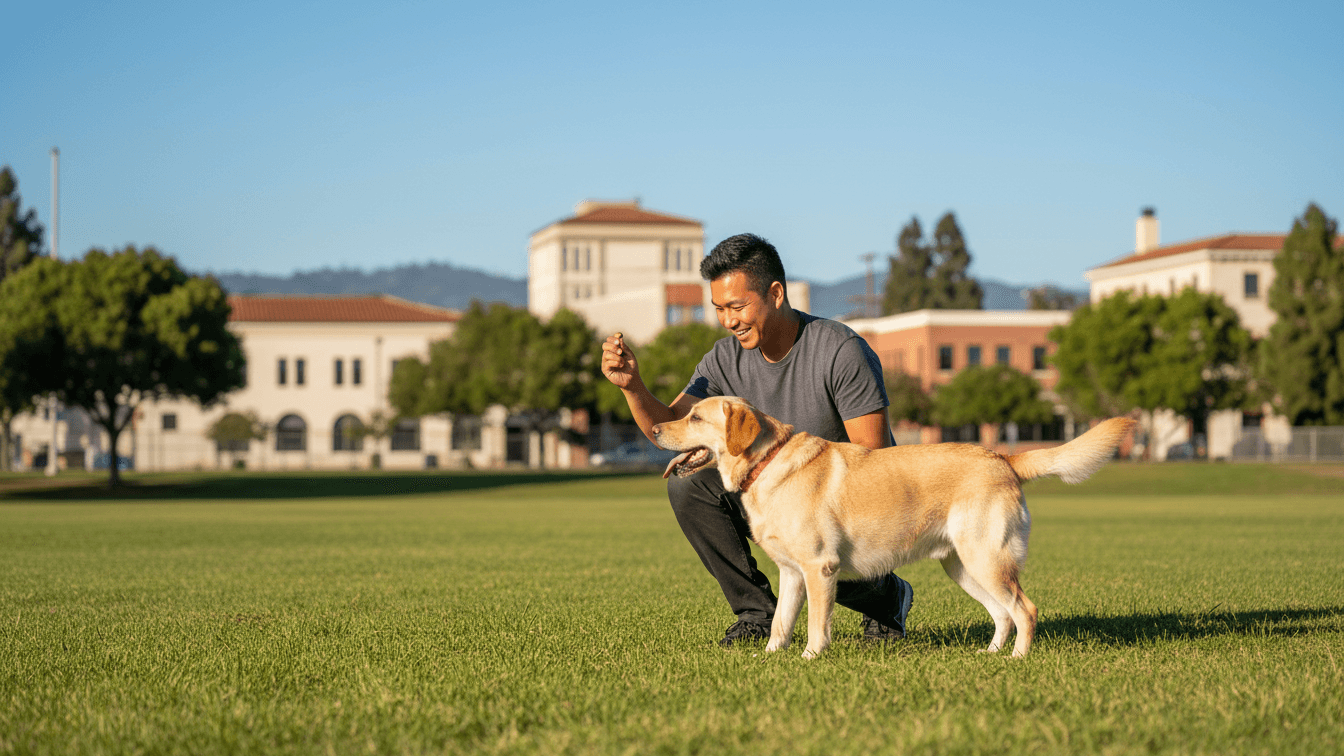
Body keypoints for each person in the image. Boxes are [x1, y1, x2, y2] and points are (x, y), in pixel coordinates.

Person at [600, 233, 914, 647]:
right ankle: (757, 615)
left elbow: (873, 463)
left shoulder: (840, 350)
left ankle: (887, 597)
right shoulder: (723, 359)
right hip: (776, 503)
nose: (729, 320)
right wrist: (632, 387)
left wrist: (802, 503)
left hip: (848, 517)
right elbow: (672, 430)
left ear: (776, 294)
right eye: (719, 309)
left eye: (737, 306)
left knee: (811, 542)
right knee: (689, 485)